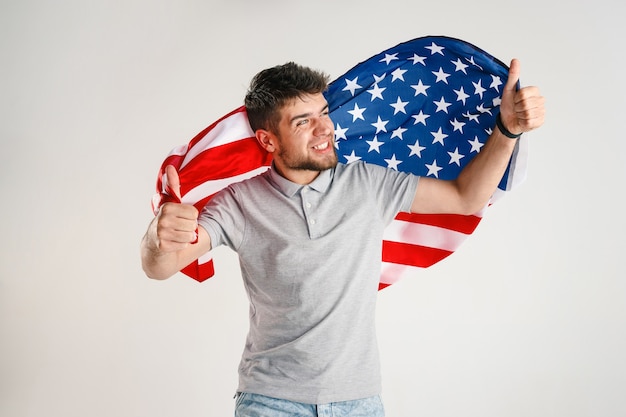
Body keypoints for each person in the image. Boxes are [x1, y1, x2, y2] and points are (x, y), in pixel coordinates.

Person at [141, 60, 545, 416]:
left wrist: (507, 130)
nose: (325, 129)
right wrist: (159, 236)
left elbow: (464, 197)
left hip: (359, 402)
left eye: (323, 112)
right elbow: (160, 267)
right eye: (303, 122)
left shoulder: (367, 181)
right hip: (270, 402)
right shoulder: (240, 201)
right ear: (268, 141)